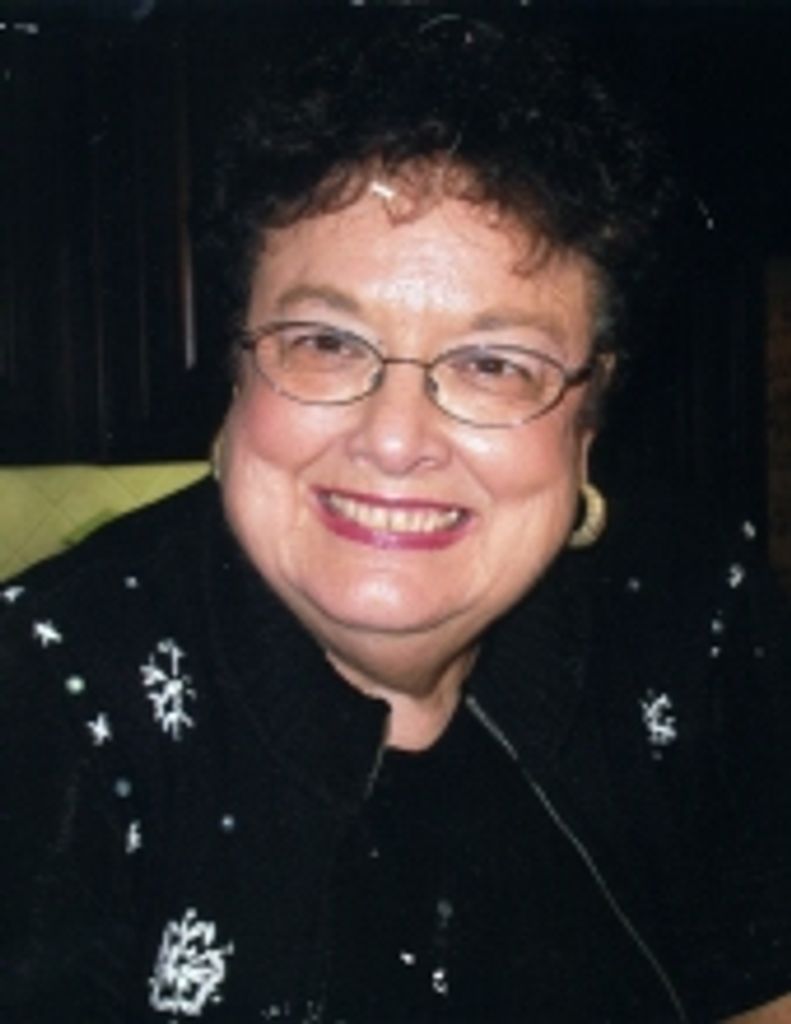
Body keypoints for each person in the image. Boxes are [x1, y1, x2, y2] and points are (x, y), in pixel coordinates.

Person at [2, 14, 790, 1023]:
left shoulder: (694, 616)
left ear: (587, 421)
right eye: (326, 343)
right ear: (238, 372)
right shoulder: (45, 701)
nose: (393, 437)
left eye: (493, 363)